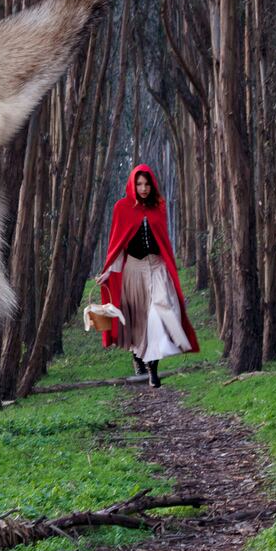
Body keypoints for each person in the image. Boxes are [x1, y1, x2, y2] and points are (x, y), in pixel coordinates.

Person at [97, 164, 198, 387]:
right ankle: (137, 356)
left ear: (152, 184)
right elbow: (118, 243)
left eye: (147, 184)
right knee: (139, 320)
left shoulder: (158, 207)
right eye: (139, 184)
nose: (143, 188)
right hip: (133, 268)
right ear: (133, 185)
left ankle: (153, 369)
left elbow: (163, 240)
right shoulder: (121, 207)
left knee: (158, 315)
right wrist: (109, 272)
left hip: (157, 267)